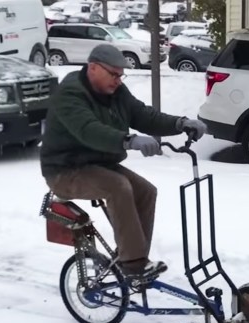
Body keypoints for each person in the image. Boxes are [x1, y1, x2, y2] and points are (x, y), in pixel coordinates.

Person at [40, 44, 207, 280]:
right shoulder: (70, 94)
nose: (118, 80)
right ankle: (133, 263)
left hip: (98, 164)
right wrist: (129, 140)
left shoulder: (115, 91)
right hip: (65, 170)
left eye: (121, 75)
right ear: (94, 67)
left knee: (146, 191)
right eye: (114, 74)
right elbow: (89, 131)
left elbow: (142, 115)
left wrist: (180, 124)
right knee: (118, 187)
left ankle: (133, 258)